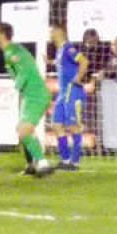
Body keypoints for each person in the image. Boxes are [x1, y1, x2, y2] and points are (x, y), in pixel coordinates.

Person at [0, 21, 52, 176]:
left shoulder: (13, 51)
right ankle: (31, 164)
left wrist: (13, 90)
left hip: (36, 95)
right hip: (30, 95)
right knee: (21, 129)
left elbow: (24, 72)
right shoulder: (9, 51)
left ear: (1, 34)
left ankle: (42, 162)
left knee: (24, 131)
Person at [49, 24, 89, 170]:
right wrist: (50, 62)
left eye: (52, 31)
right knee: (56, 124)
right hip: (62, 93)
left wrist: (78, 77)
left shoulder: (68, 48)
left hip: (72, 91)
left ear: (60, 32)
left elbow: (84, 61)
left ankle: (75, 162)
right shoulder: (60, 51)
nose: (50, 34)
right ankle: (65, 160)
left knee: (73, 126)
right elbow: (64, 65)